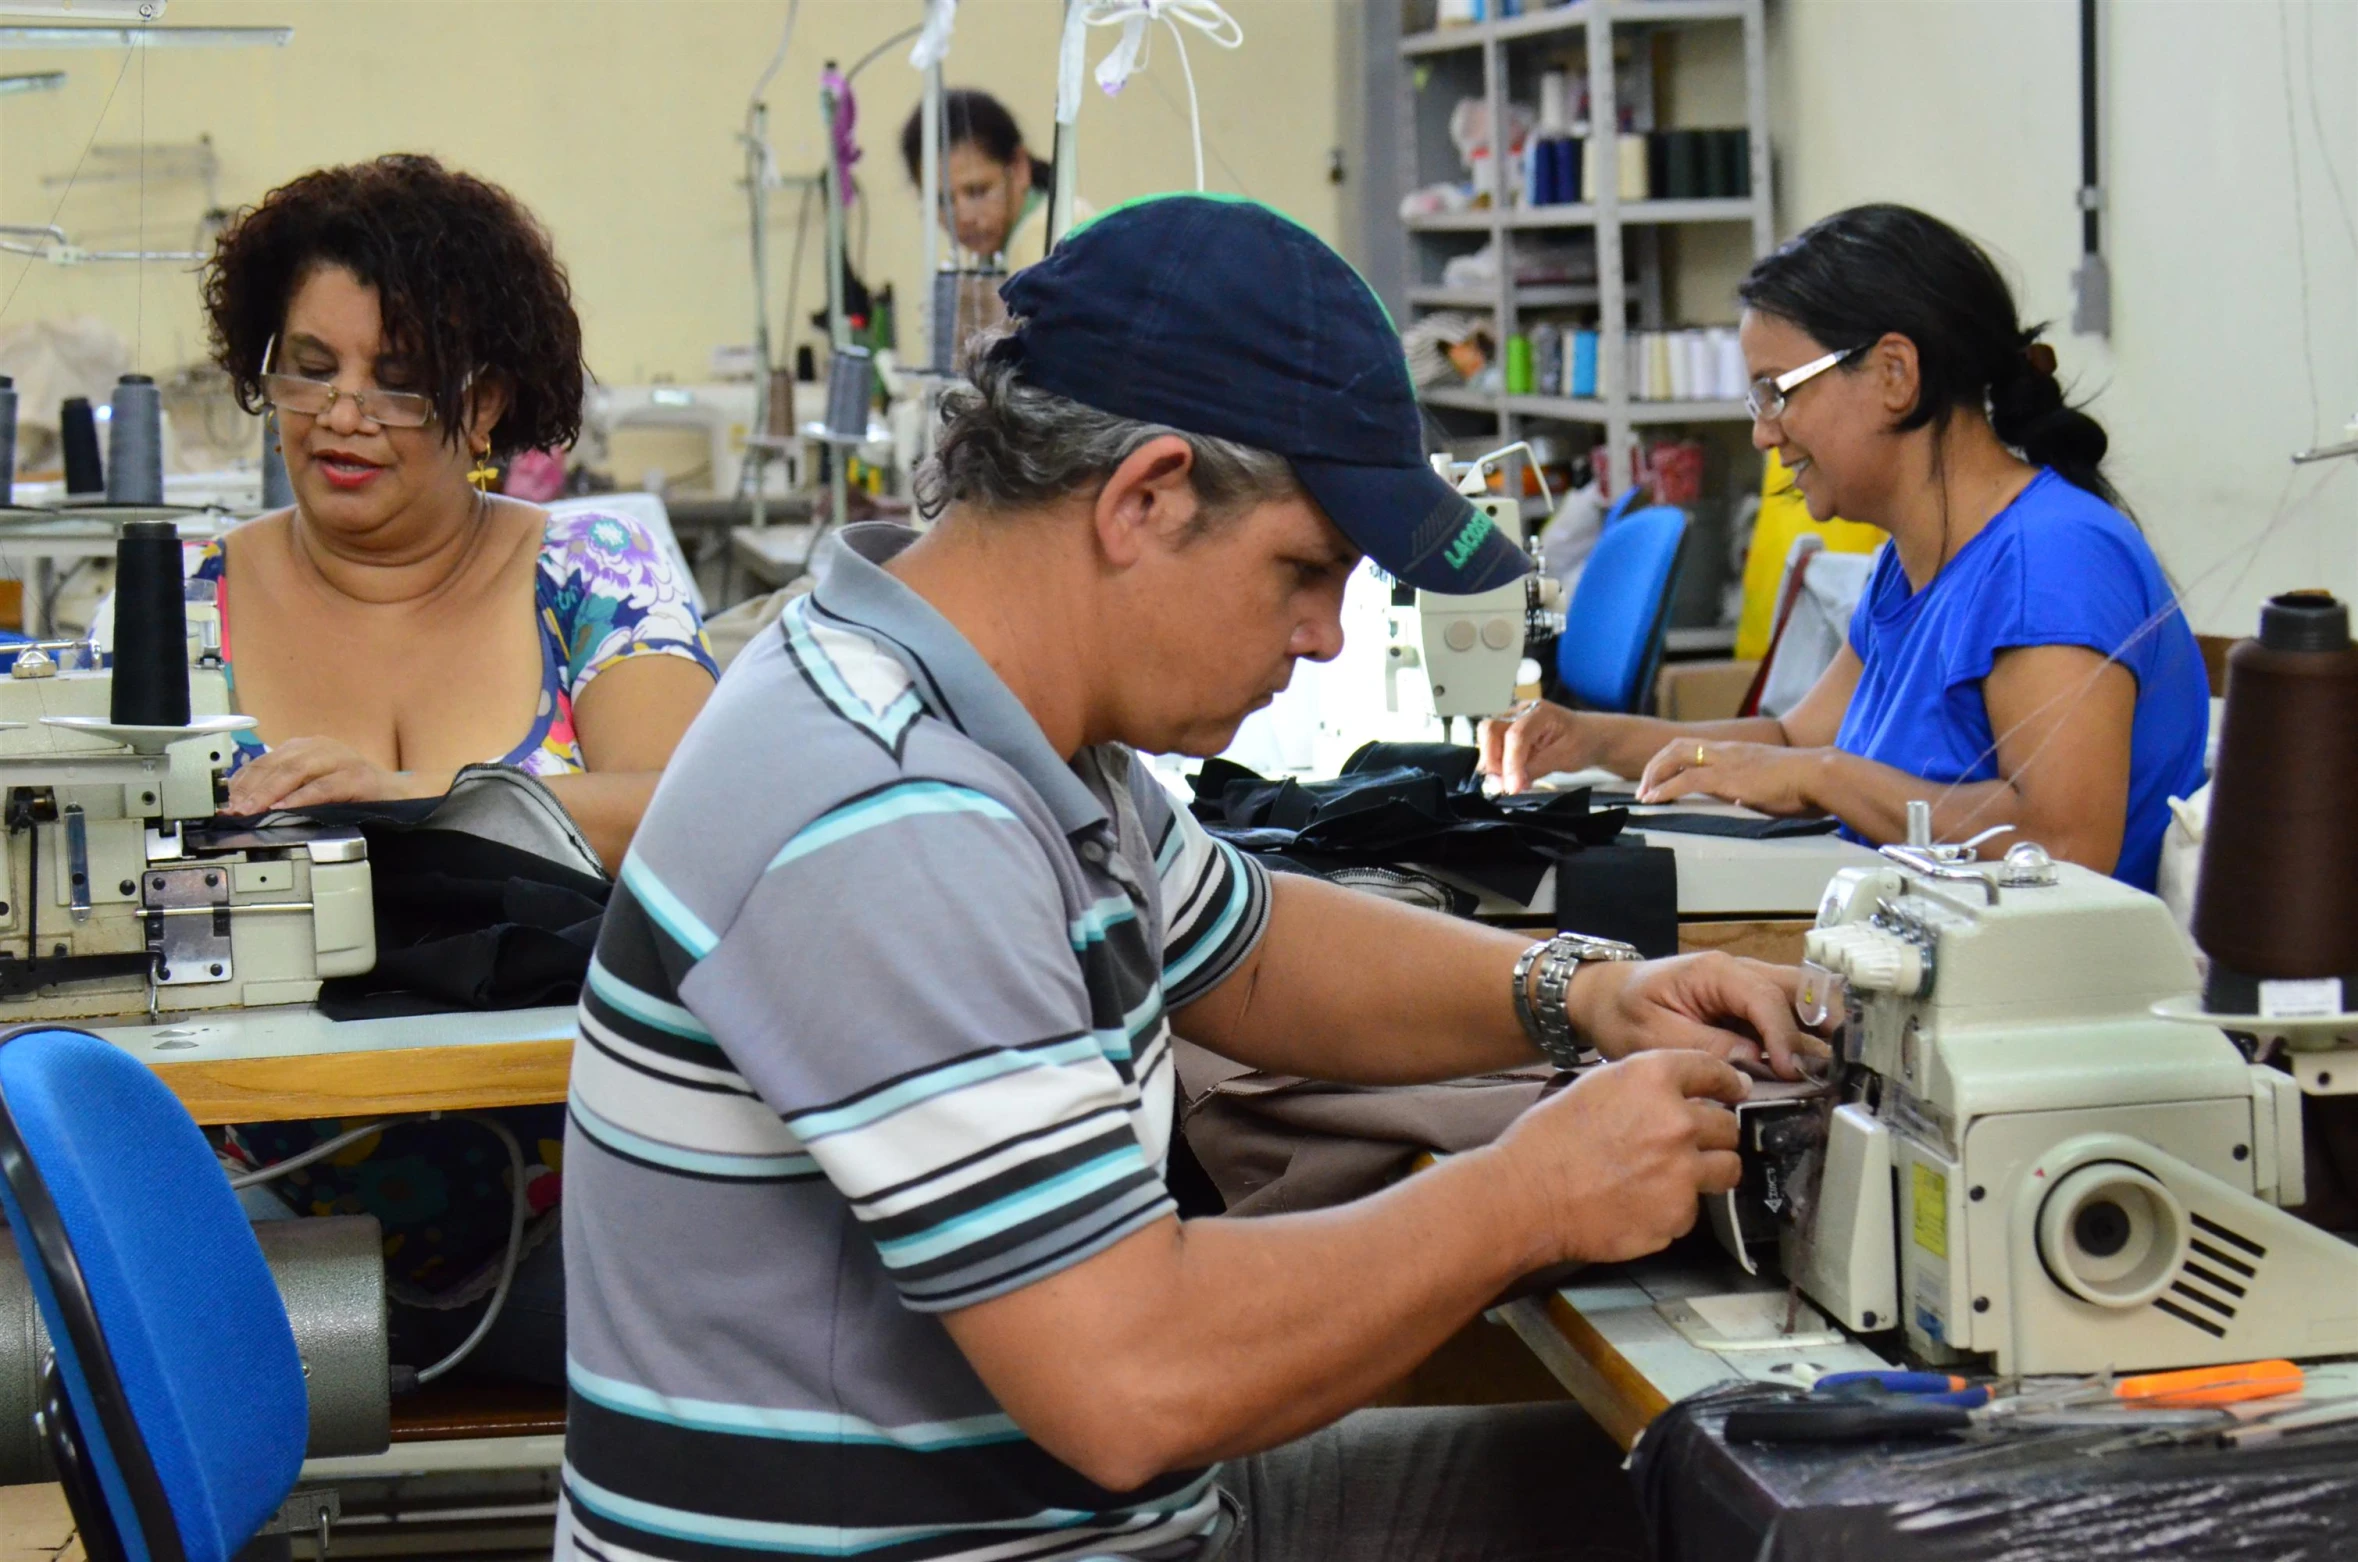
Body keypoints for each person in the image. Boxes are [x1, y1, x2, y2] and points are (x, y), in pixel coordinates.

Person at [558, 195, 1824, 1562]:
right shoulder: (887, 810)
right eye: (1303, 569)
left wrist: (1591, 993)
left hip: (1090, 1520)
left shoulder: (1003, 718)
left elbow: (1251, 946)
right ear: (1143, 496)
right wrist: (1533, 1194)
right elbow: (1133, 1378)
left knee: (1728, 1498)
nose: (1326, 636)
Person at [194, 154, 719, 1385]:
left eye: (398, 379)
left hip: (586, 1217)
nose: (341, 415)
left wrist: (422, 809)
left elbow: (700, 815)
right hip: (250, 1219)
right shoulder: (181, 602)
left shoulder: (594, 573)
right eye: (310, 368)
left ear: (483, 403)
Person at [1484, 204, 2207, 892]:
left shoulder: (2054, 559)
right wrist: (1589, 741)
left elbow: (2063, 844)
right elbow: (1791, 739)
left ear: (1895, 374)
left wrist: (1826, 777)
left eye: (1777, 392)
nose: (1765, 433)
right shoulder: (1912, 565)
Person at [899, 87, 1062, 268]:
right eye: (942, 200)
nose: (964, 218)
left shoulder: (1047, 238)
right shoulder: (995, 254)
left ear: (1018, 169)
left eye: (978, 192)